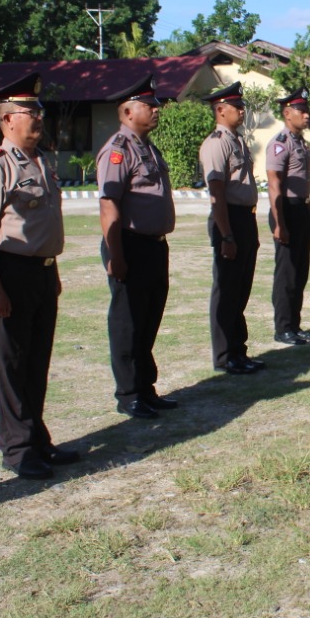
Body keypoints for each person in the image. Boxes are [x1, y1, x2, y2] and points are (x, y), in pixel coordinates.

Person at [0, 73, 79, 479]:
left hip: (41, 272)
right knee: (11, 364)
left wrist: (53, 271)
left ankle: (37, 439)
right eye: (29, 111)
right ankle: (17, 449)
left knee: (36, 361)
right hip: (9, 272)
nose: (38, 117)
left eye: (39, 109)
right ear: (7, 119)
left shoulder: (41, 161)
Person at [96, 73, 177, 420]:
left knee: (149, 319)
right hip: (129, 244)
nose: (156, 111)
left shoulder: (148, 148)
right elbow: (109, 204)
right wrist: (116, 254)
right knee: (128, 321)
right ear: (128, 112)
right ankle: (128, 393)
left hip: (154, 245)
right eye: (149, 105)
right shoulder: (118, 150)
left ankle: (145, 387)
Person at [199, 82, 265, 375]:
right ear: (220, 110)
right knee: (226, 291)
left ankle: (239, 350)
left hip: (244, 218)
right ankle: (225, 354)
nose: (242, 110)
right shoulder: (217, 142)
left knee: (240, 290)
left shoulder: (237, 140)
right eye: (236, 106)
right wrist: (226, 234)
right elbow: (217, 192)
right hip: (229, 219)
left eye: (242, 106)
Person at [267, 88, 310, 345]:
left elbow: (304, 185)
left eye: (307, 110)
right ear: (287, 113)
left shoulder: (301, 143)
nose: (307, 115)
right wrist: (278, 222)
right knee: (286, 273)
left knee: (300, 272)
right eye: (302, 110)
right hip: (284, 209)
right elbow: (274, 183)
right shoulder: (280, 143)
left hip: (300, 208)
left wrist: (309, 215)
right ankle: (283, 327)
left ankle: (295, 325)